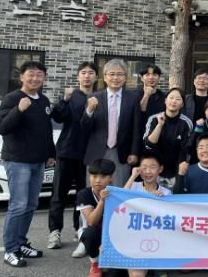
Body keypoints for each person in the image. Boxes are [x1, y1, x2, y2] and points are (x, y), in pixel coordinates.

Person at [0, 61, 56, 268]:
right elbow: (1, 127)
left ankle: (21, 243)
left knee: (30, 205)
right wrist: (18, 110)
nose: (35, 78)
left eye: (39, 75)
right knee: (18, 205)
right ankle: (10, 250)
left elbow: (46, 130)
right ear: (22, 77)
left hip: (38, 161)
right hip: (17, 161)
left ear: (44, 78)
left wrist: (50, 153)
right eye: (31, 74)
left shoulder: (44, 100)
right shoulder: (12, 98)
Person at [47, 61, 96, 255]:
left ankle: (79, 229)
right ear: (78, 76)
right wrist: (64, 100)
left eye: (90, 73)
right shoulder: (72, 95)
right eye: (83, 73)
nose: (87, 76)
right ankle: (55, 231)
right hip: (67, 151)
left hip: (88, 154)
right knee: (59, 194)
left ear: (96, 77)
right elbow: (58, 117)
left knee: (83, 195)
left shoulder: (99, 97)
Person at [81, 58, 141, 187]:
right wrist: (89, 111)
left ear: (125, 77)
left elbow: (137, 128)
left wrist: (134, 152)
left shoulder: (133, 98)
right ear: (105, 77)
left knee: (119, 190)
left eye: (120, 74)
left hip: (121, 152)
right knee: (95, 190)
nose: (115, 78)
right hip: (96, 151)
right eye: (112, 74)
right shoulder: (94, 97)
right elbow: (84, 128)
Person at [143, 88, 192, 188]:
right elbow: (149, 144)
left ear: (182, 104)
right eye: (171, 98)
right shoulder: (154, 119)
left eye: (178, 99)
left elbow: (185, 149)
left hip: (176, 171)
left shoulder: (186, 123)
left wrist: (180, 172)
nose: (174, 101)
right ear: (165, 100)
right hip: (155, 171)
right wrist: (160, 125)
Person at [76, 159, 115, 277]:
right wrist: (102, 201)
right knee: (90, 233)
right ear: (89, 177)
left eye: (103, 177)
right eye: (94, 176)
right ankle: (95, 263)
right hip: (92, 231)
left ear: (111, 178)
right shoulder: (84, 194)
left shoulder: (116, 193)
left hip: (112, 232)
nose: (98, 180)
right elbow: (91, 222)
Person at [137, 64, 166, 145]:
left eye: (154, 74)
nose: (151, 77)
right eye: (147, 74)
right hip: (138, 138)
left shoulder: (165, 98)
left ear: (159, 78)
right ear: (142, 78)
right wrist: (146, 95)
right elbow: (138, 113)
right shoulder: (134, 96)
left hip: (159, 139)